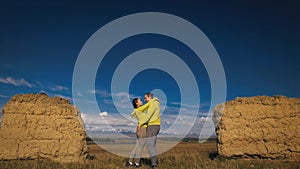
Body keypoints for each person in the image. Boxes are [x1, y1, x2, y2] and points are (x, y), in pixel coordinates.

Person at [139, 92, 160, 169]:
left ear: (149, 97)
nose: (144, 100)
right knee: (152, 145)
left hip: (153, 126)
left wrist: (141, 123)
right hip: (154, 126)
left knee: (149, 144)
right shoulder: (153, 103)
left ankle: (154, 164)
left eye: (145, 98)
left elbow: (149, 115)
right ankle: (154, 162)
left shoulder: (153, 103)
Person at [126, 97, 146, 168]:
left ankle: (130, 162)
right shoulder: (139, 110)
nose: (141, 101)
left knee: (137, 147)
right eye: (140, 100)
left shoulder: (137, 110)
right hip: (143, 130)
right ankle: (137, 163)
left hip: (139, 129)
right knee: (140, 147)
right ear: (137, 103)